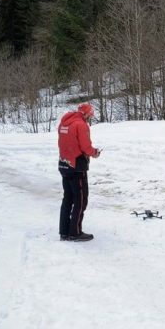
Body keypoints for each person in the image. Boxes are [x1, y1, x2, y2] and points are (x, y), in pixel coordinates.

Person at [57, 103, 100, 242]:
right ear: (86, 114)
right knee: (81, 200)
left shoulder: (64, 123)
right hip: (77, 166)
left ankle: (64, 231)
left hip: (64, 164)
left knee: (67, 199)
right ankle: (75, 232)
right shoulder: (81, 125)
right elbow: (86, 147)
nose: (90, 118)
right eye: (90, 115)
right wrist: (94, 153)